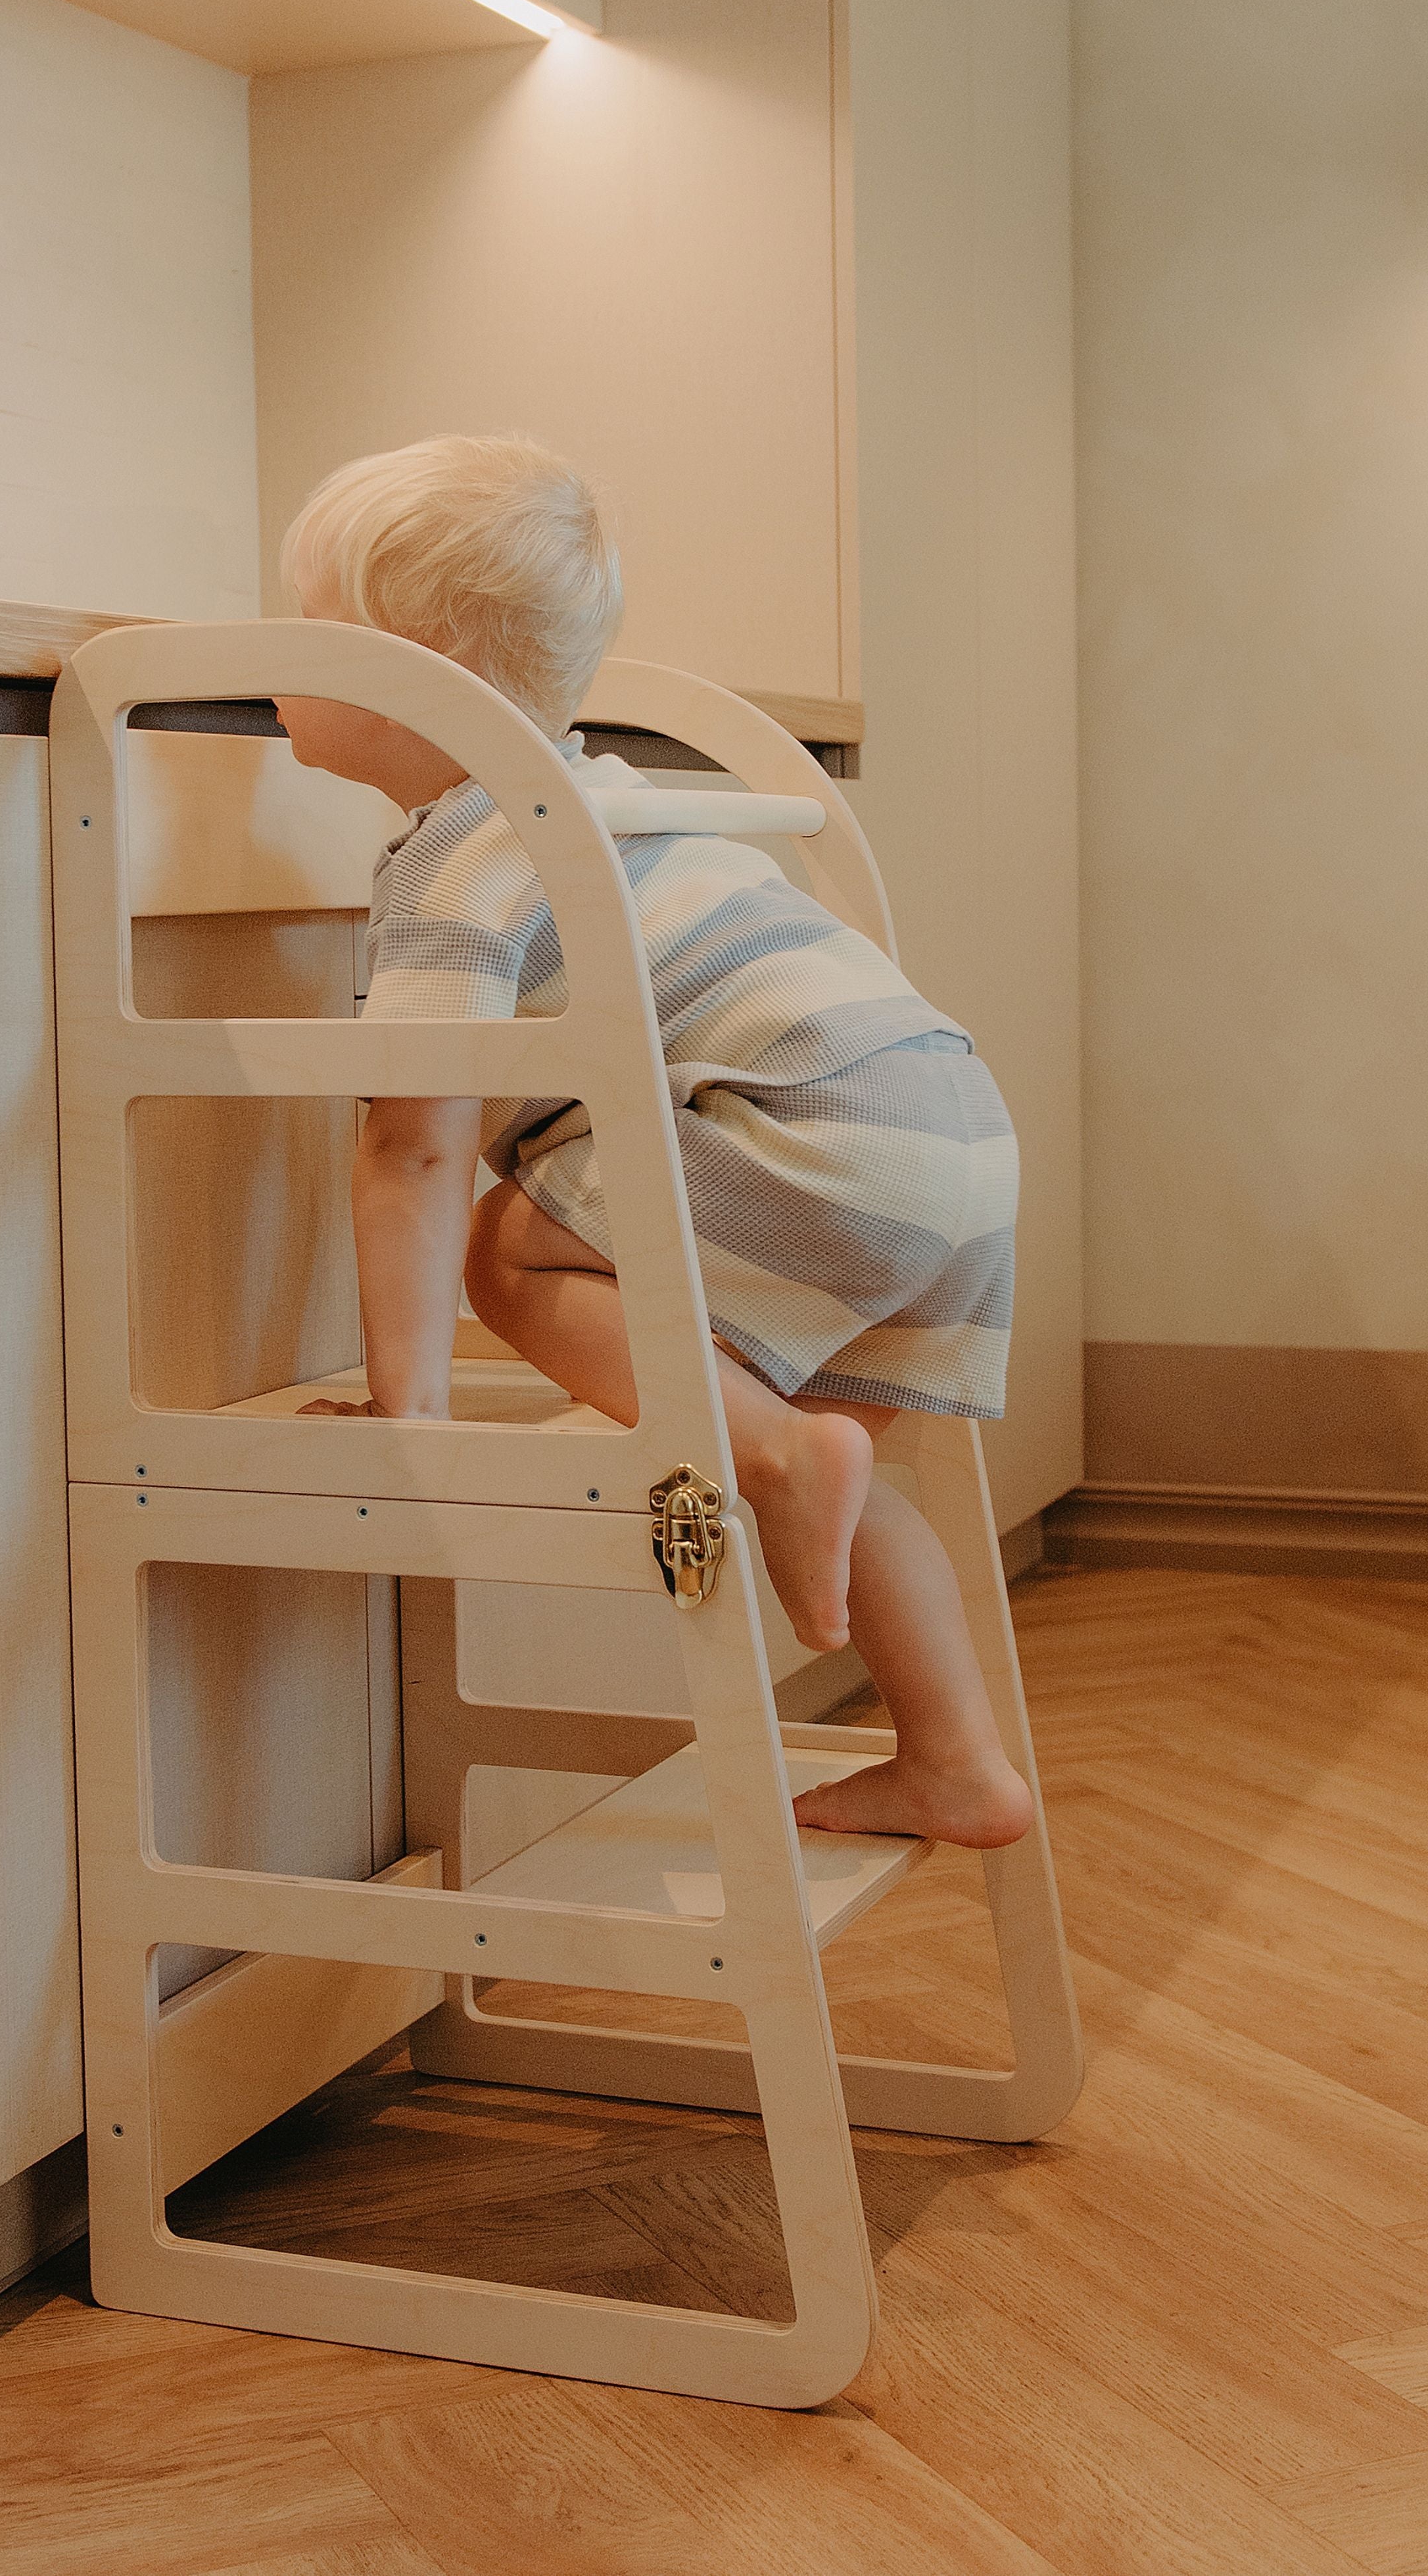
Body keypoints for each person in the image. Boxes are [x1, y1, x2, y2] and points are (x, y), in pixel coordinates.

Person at [272, 433, 1034, 1852]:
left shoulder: (466, 850)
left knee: (509, 1248)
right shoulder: (612, 796)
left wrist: (406, 1405)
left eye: (305, 625)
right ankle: (957, 1762)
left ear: (412, 666)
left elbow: (419, 1143)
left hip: (822, 1130)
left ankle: (782, 1461)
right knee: (843, 1469)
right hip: (947, 1123)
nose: (275, 654)